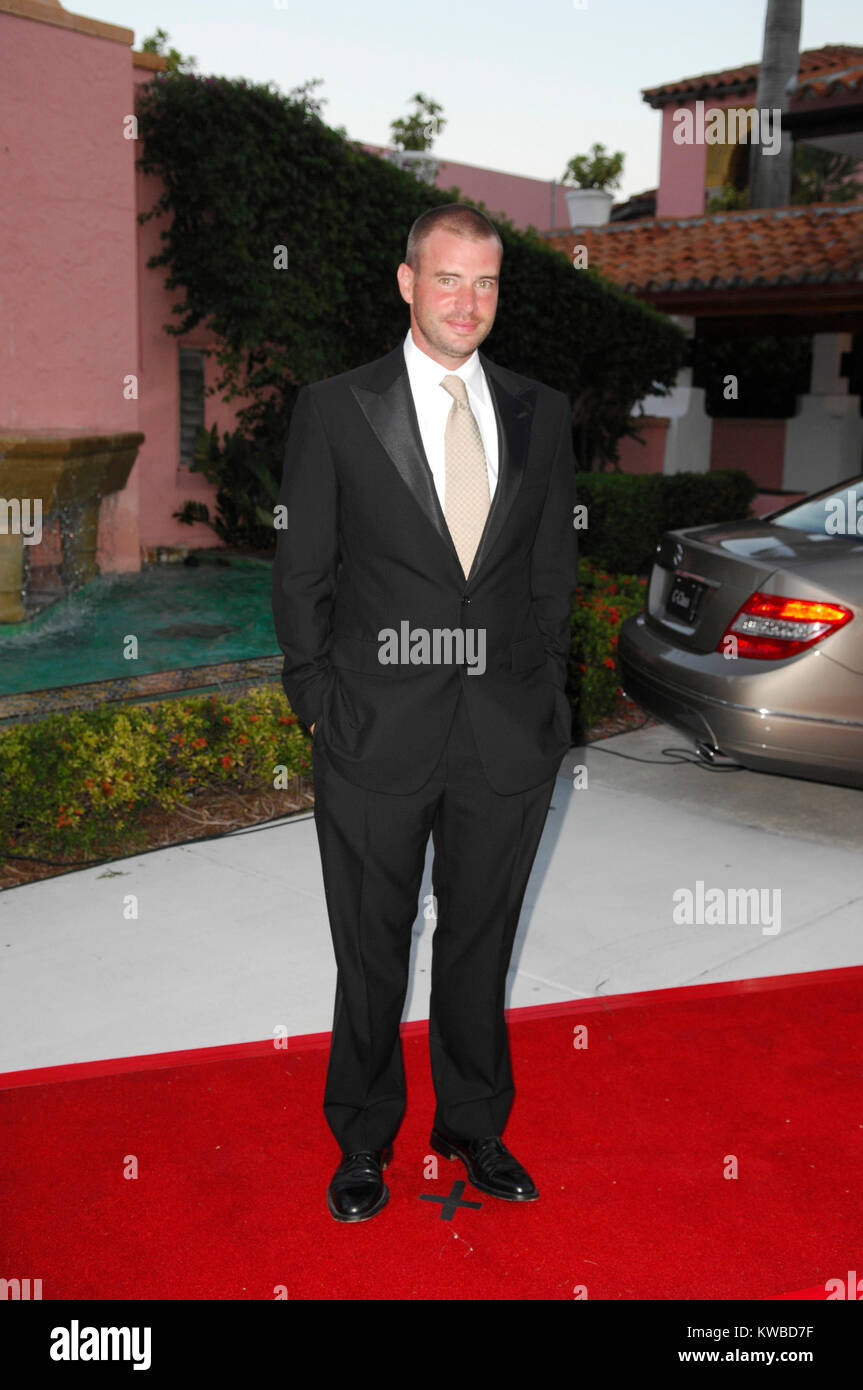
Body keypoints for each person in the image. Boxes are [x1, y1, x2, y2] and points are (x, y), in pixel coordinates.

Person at [271, 203, 577, 1221]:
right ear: (407, 283)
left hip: (506, 732)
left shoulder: (539, 411)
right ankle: (363, 1137)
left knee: (481, 938)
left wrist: (546, 697)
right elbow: (302, 573)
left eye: (485, 283)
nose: (467, 301)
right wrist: (317, 702)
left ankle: (472, 1125)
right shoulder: (336, 409)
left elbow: (549, 571)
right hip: (372, 727)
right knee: (371, 945)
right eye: (448, 278)